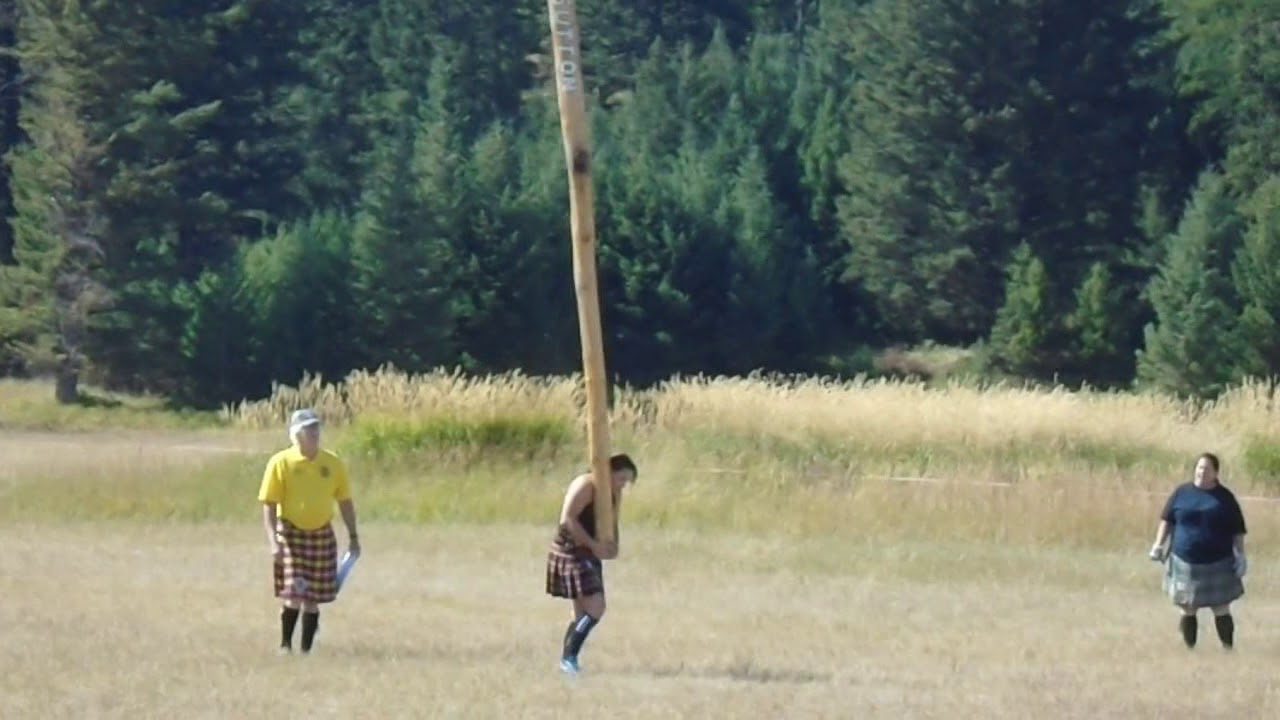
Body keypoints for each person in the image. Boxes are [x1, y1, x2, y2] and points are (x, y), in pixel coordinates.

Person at [257, 408, 360, 655]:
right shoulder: (281, 462)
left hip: (321, 534)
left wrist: (353, 536)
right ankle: (285, 645)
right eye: (308, 429)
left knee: (313, 598)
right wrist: (273, 542)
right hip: (291, 534)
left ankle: (306, 650)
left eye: (316, 428)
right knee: (294, 592)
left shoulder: (332, 463)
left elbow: (345, 501)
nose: (314, 433)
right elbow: (269, 504)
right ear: (296, 433)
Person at [545, 453, 638, 675]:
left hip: (589, 552)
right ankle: (569, 659)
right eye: (621, 479)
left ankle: (568, 661)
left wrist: (613, 544)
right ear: (608, 472)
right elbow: (567, 520)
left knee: (582, 613)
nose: (622, 485)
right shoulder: (586, 485)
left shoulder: (614, 493)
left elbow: (612, 521)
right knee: (596, 607)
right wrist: (594, 545)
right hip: (570, 549)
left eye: (626, 482)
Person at [1149, 452, 1247, 650]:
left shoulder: (1225, 498)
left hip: (1219, 561)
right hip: (1184, 560)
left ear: (1216, 473)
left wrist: (1241, 555)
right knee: (1188, 607)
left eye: (1207, 469)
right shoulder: (1181, 493)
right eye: (1199, 468)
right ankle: (1190, 649)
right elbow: (1167, 520)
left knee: (1221, 607)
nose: (1202, 472)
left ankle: (1228, 648)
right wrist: (1158, 544)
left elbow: (1237, 529)